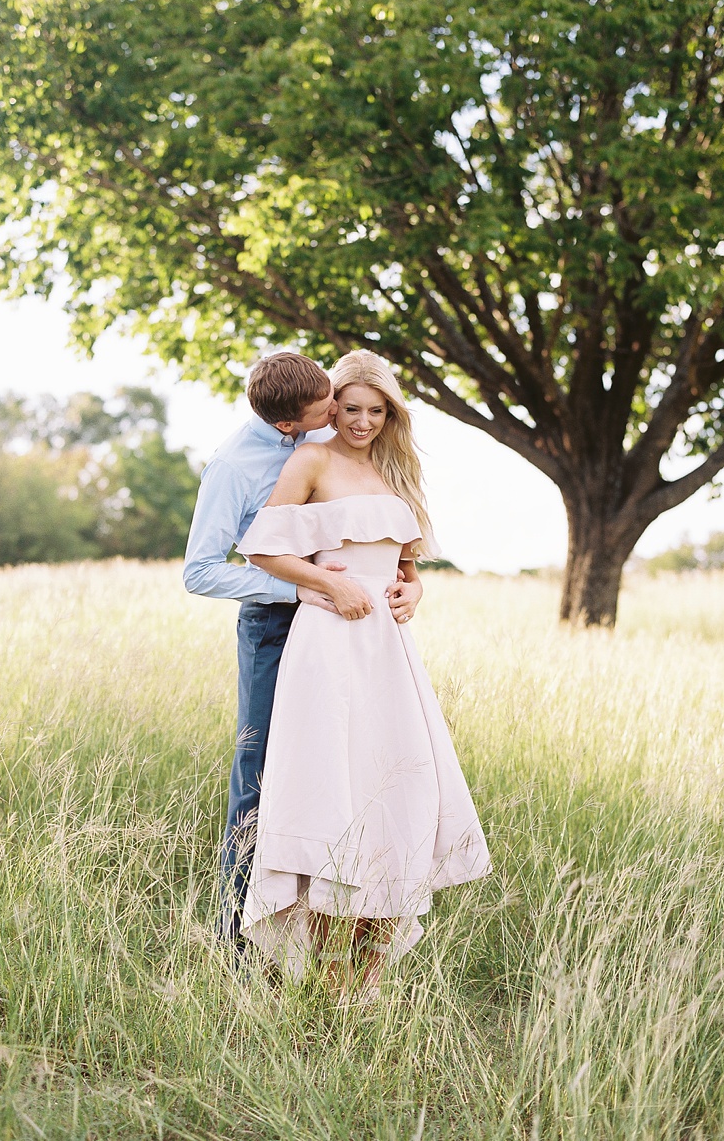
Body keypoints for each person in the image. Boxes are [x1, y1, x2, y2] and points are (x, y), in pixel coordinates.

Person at [235, 350, 491, 994]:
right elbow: (262, 546)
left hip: (388, 649)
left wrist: (413, 592)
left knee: (395, 783)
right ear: (332, 407)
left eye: (377, 411)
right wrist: (324, 583)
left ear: (391, 415)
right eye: (351, 408)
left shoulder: (392, 474)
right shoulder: (311, 459)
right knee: (331, 789)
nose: (362, 421)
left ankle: (364, 978)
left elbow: (404, 569)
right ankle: (312, 966)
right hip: (328, 640)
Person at [183, 351, 424, 949]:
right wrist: (305, 587)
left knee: (346, 770)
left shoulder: (324, 433)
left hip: (348, 630)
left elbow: (385, 541)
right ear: (291, 423)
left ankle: (329, 928)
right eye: (330, 410)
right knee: (263, 777)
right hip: (276, 623)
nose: (340, 420)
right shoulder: (235, 468)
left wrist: (406, 583)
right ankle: (241, 944)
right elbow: (202, 571)